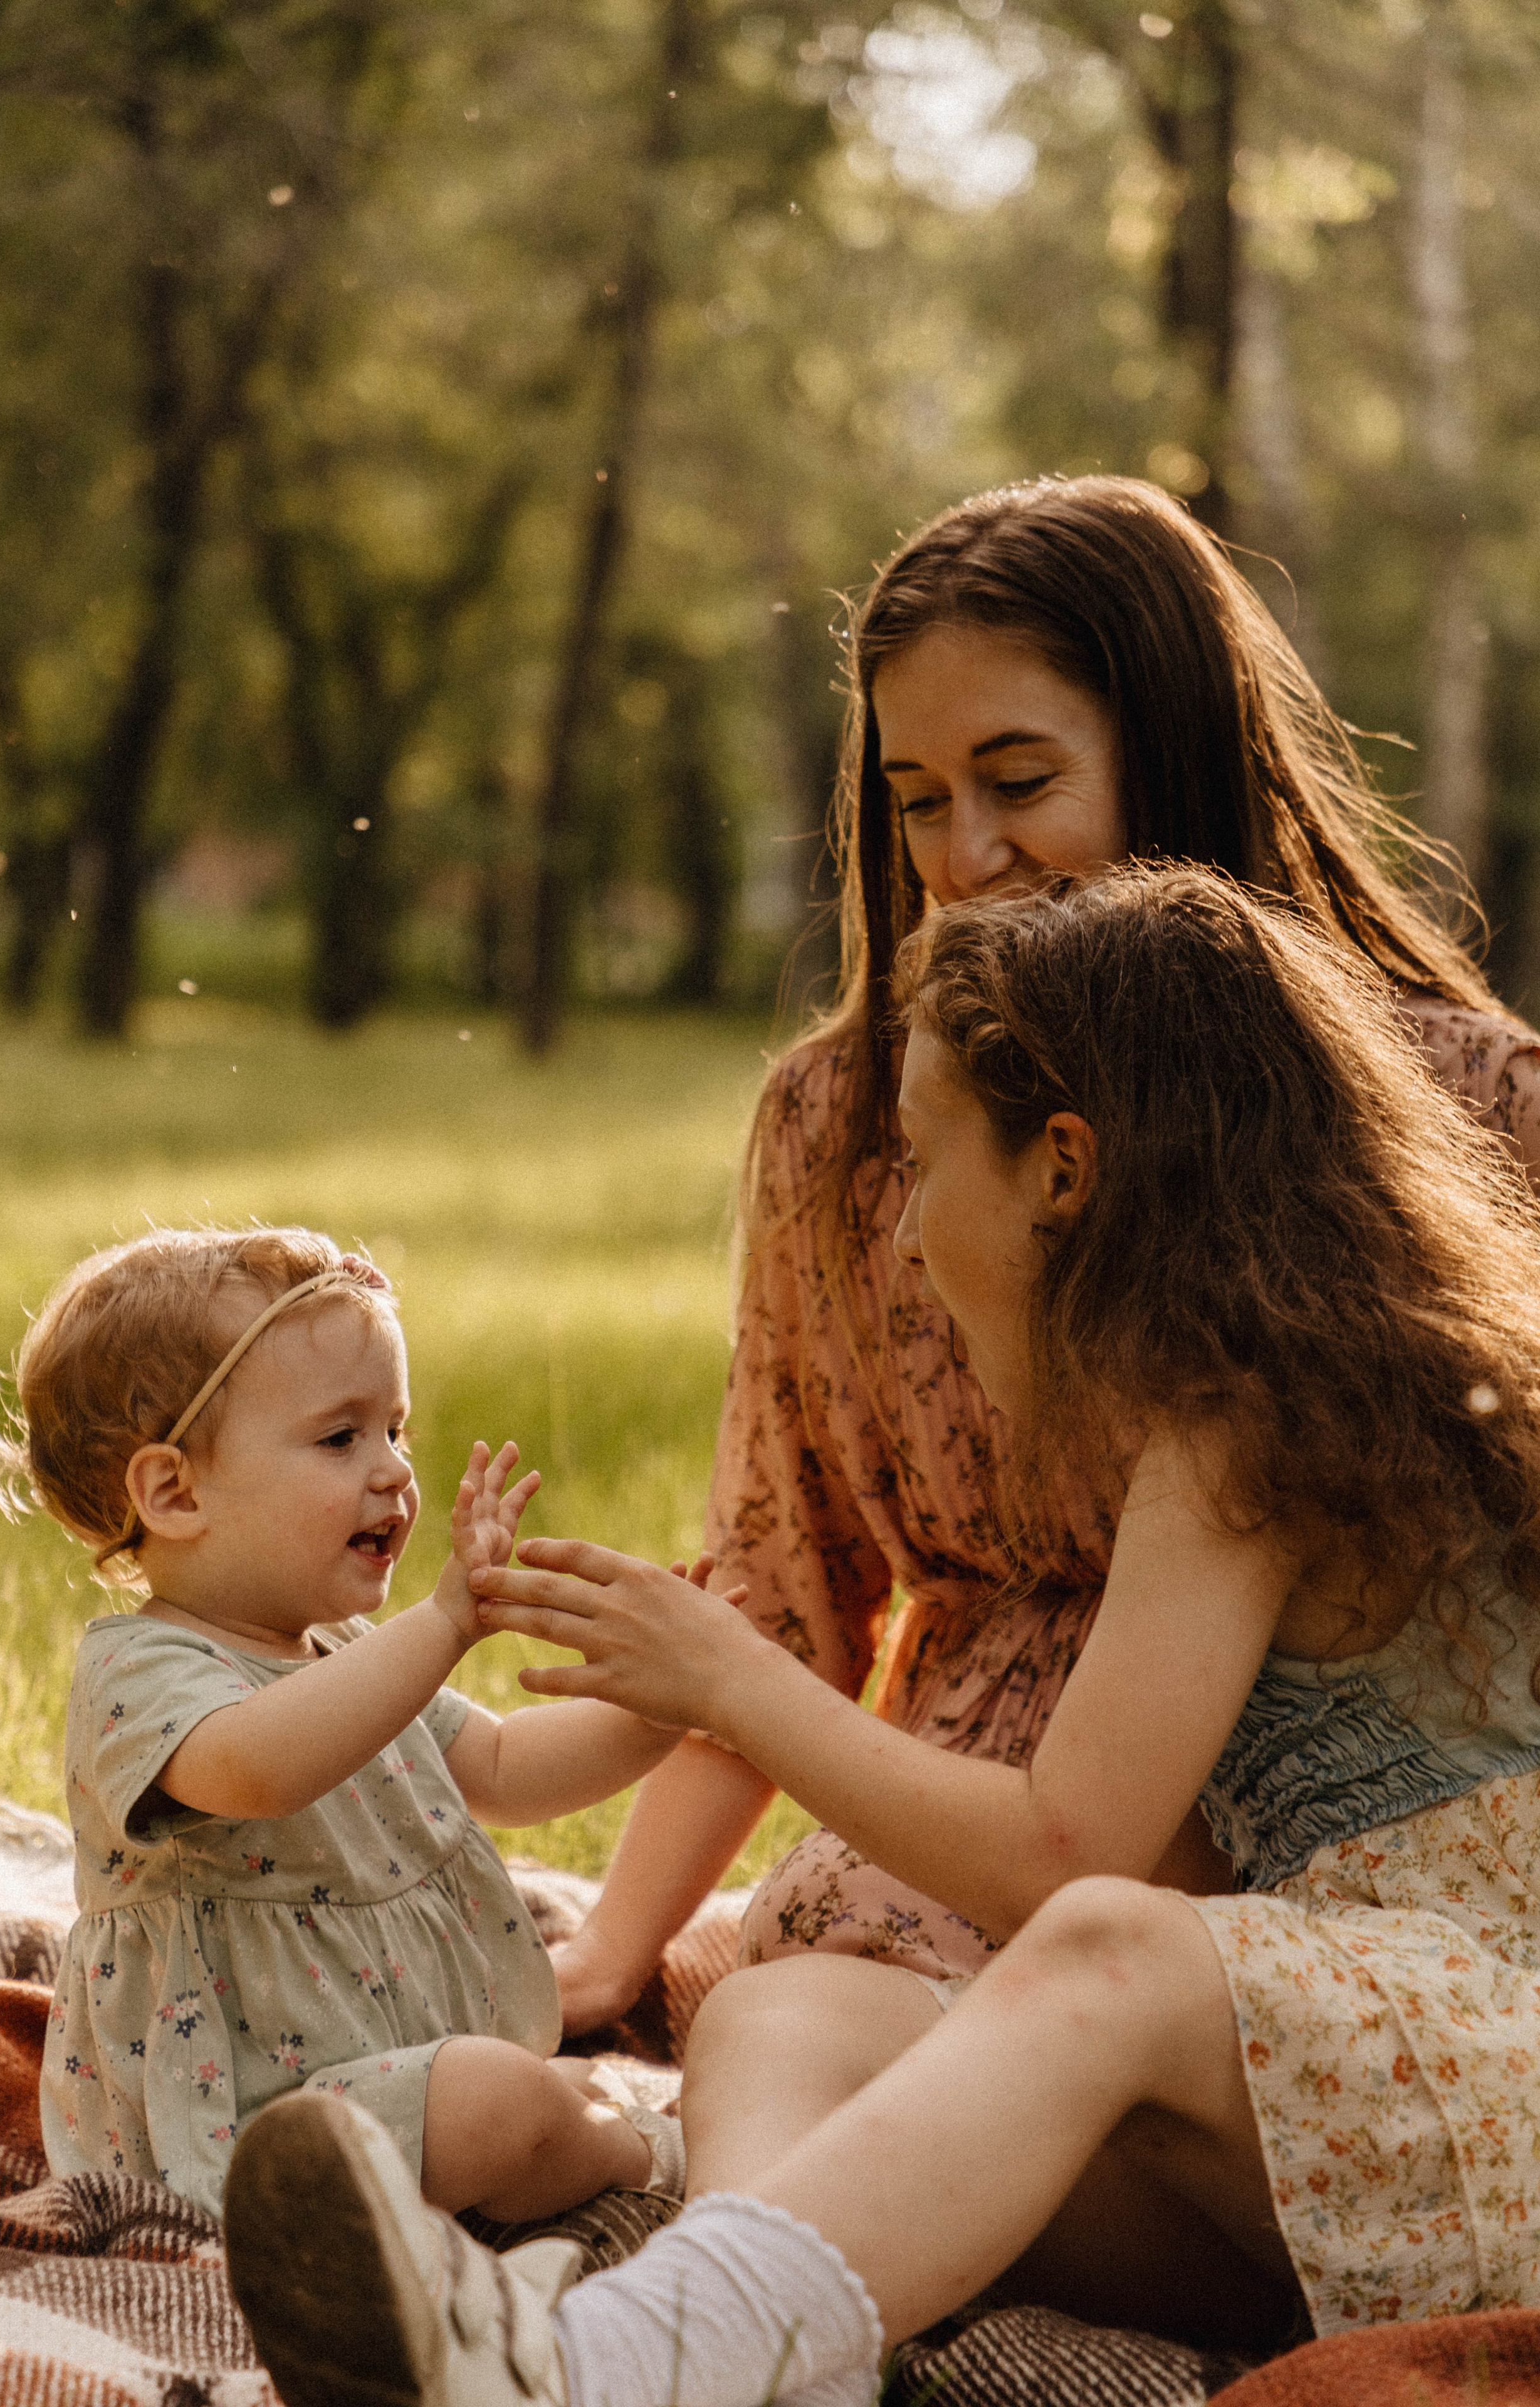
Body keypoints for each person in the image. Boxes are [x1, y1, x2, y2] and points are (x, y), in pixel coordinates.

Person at [226, 864, 1540, 2407]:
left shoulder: (1242, 1430)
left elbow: (1073, 1859)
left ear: (1064, 1167)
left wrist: (732, 1680)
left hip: (1492, 2082)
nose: (906, 1233)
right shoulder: (1219, 1431)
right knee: (785, 2006)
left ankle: (602, 2369)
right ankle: (731, 2359)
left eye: (922, 1163)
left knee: (1101, 1949)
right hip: (1379, 2143)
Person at [554, 474, 1540, 2033]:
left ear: (1173, 754)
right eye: (919, 798)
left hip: (1356, 1854)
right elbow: (781, 1594)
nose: (969, 855)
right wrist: (615, 1947)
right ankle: (713, 2255)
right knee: (809, 1973)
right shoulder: (847, 1123)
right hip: (954, 1817)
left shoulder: (1461, 1102)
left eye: (1021, 780)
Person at [0, 1227, 696, 2222]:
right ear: (175, 1491)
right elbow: (258, 1769)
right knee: (494, 2100)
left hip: (372, 2077)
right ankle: (634, 2155)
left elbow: (503, 1766)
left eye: (396, 1430)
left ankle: (556, 2133)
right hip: (238, 2128)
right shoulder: (137, 1673)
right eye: (341, 1438)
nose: (395, 1472)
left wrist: (667, 1707)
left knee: (498, 2091)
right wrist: (444, 1624)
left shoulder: (343, 1656)